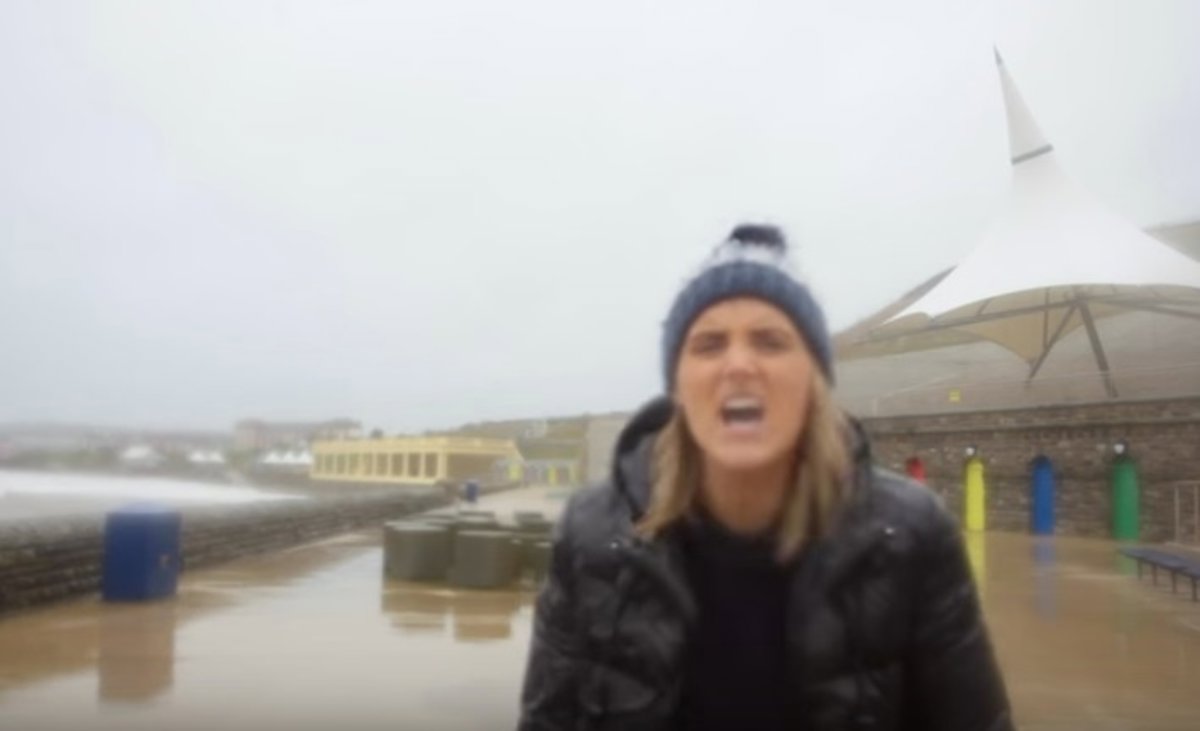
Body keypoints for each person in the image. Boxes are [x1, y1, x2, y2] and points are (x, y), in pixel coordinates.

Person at [517, 224, 1012, 731]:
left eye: (770, 342)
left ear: (813, 382)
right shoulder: (590, 534)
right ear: (678, 387)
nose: (738, 364)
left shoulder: (911, 534)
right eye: (709, 344)